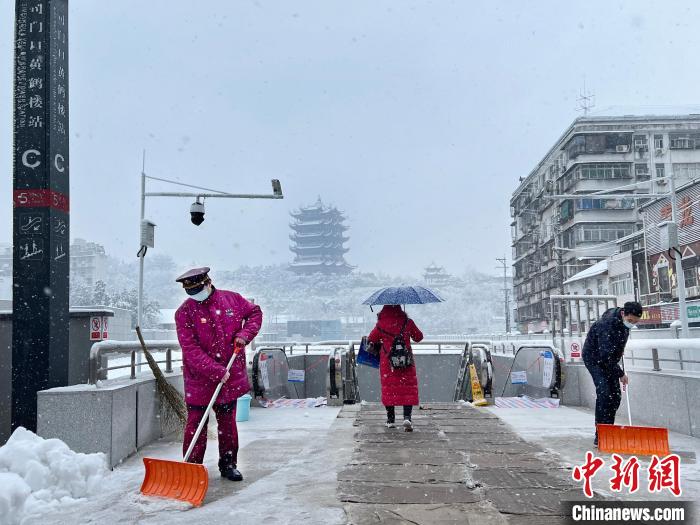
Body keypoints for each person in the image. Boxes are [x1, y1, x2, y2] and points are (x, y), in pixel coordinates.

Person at [174, 267, 262, 481]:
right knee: (196, 423)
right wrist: (216, 371)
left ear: (208, 283)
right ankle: (192, 469)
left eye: (197, 290)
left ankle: (229, 464)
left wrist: (244, 334)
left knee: (227, 424)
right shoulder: (184, 313)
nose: (195, 296)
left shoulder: (232, 301)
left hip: (229, 378)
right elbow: (191, 350)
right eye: (190, 292)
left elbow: (255, 313)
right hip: (199, 380)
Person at [582, 301, 643, 447]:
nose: (631, 324)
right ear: (623, 314)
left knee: (615, 396)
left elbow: (615, 348)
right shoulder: (607, 324)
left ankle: (609, 430)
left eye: (635, 322)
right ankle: (601, 434)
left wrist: (619, 351)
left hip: (609, 359)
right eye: (630, 321)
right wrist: (621, 373)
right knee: (604, 392)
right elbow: (605, 356)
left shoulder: (624, 323)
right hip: (594, 359)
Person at [368, 305, 424, 432]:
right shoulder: (408, 322)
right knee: (407, 389)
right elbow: (419, 337)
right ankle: (407, 417)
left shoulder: (381, 324)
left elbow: (372, 338)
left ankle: (390, 419)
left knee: (389, 389)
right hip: (406, 361)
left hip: (388, 362)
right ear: (400, 309)